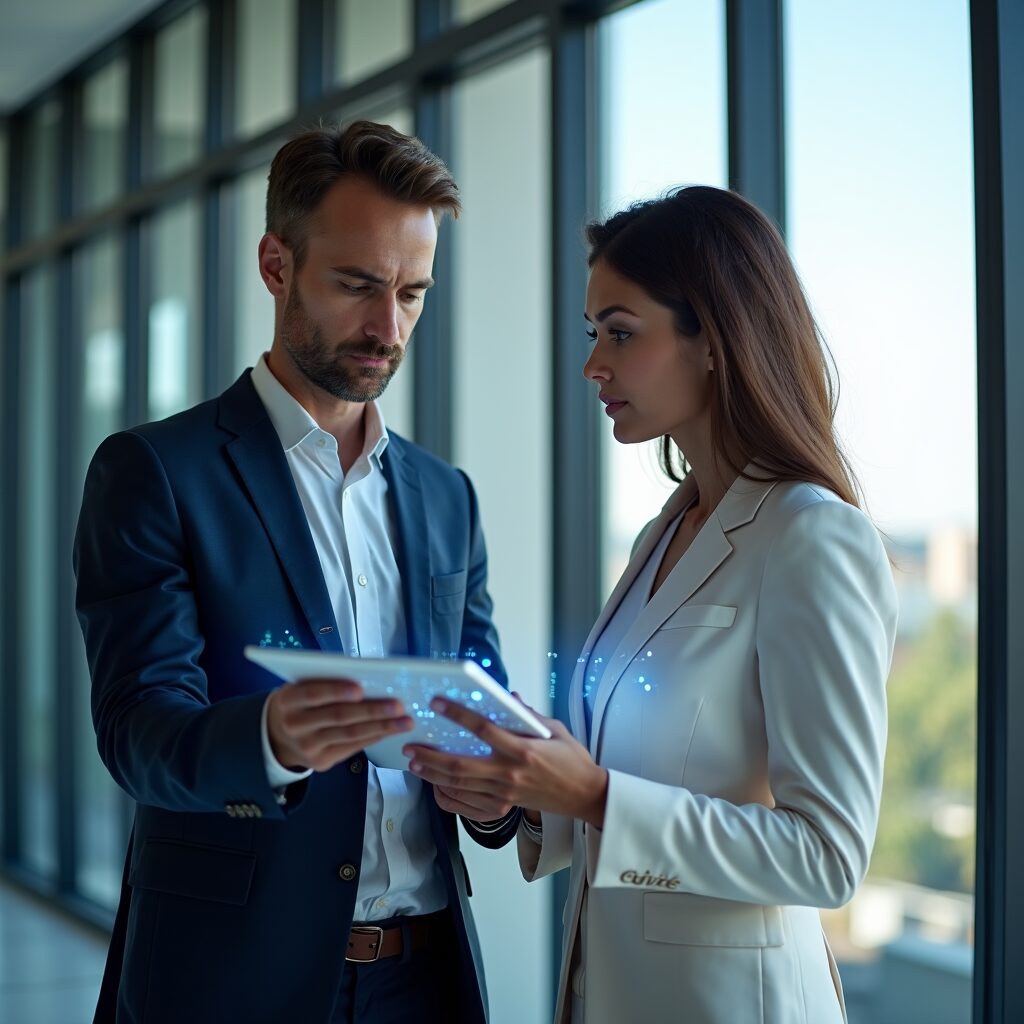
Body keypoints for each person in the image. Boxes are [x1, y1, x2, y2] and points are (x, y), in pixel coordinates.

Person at [405, 185, 899, 1024]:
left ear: (714, 339)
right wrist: (527, 788)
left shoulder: (814, 539)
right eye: (593, 333)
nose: (593, 363)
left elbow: (827, 857)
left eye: (621, 334)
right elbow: (630, 776)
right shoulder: (660, 538)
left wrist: (593, 795)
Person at [74, 121, 518, 1024]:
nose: (387, 327)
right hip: (231, 978)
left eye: (413, 293)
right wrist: (270, 739)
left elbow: (482, 698)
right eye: (357, 285)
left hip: (425, 980)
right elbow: (136, 731)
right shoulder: (155, 471)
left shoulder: (447, 497)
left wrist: (499, 791)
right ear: (277, 264)